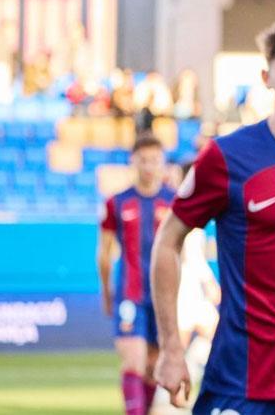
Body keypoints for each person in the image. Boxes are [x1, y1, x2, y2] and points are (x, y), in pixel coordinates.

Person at [150, 14, 275, 414]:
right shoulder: (227, 158)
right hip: (239, 382)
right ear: (266, 76)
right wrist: (172, 348)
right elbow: (167, 242)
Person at [97, 135, 174, 415]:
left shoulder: (173, 201)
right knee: (134, 361)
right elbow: (104, 253)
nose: (149, 166)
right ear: (134, 162)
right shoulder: (117, 202)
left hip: (165, 296)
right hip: (130, 294)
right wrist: (106, 292)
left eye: (154, 160)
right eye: (143, 160)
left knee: (153, 366)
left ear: (162, 162)